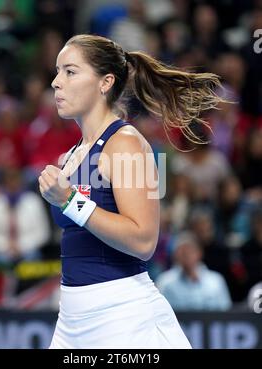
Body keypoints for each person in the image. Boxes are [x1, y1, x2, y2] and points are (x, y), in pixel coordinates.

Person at [38, 34, 224, 349]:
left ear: (105, 82)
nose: (56, 82)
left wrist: (69, 200)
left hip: (123, 317)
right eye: (57, 71)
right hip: (71, 319)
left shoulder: (126, 143)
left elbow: (143, 241)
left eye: (70, 71)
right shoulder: (70, 156)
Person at [155, 231, 232, 311]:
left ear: (199, 253)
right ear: (175, 254)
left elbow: (226, 315)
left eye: (190, 251)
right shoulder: (164, 282)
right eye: (182, 252)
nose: (187, 255)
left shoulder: (216, 281)